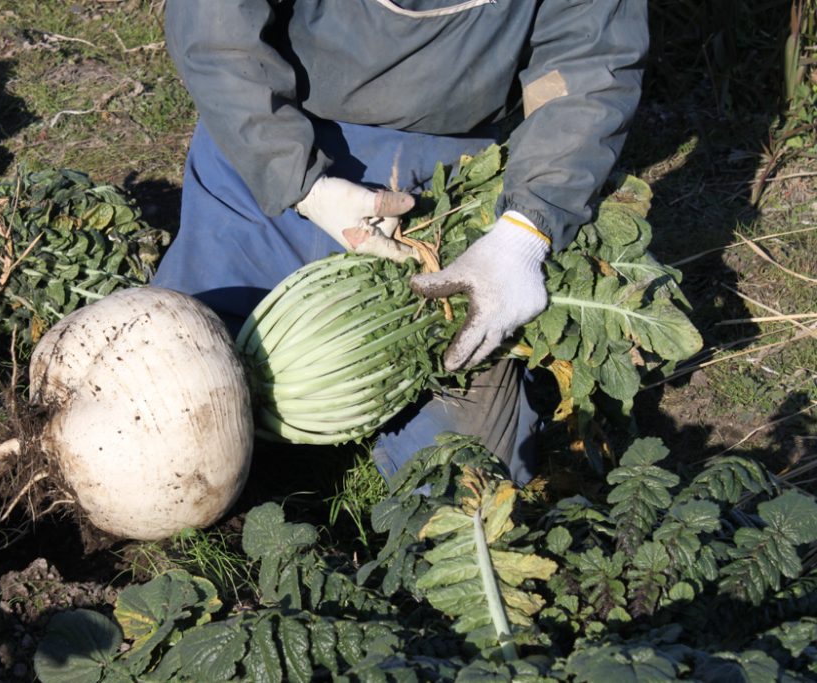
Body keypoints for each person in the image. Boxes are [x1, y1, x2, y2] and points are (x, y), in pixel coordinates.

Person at [152, 1, 649, 484]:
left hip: (440, 183)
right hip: (269, 145)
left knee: (473, 480)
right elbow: (214, 26)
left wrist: (523, 235)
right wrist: (300, 182)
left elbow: (592, 61)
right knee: (158, 404)